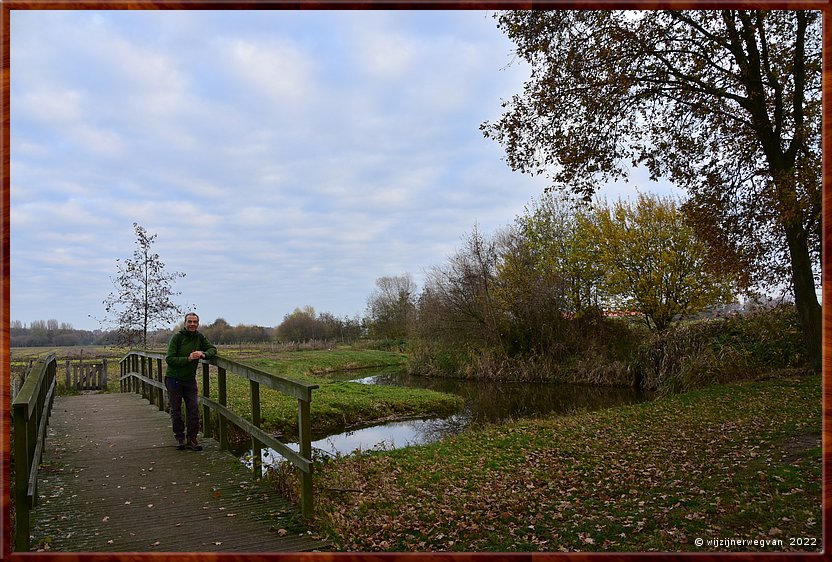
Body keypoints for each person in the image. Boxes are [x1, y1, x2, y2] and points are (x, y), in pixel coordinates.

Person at [165, 312, 216, 451]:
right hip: (174, 379)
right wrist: (188, 359)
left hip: (189, 380)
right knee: (176, 410)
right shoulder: (177, 337)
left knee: (193, 409)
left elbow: (212, 349)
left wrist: (203, 354)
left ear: (198, 324)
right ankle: (180, 438)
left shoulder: (199, 337)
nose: (192, 324)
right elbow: (169, 359)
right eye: (190, 322)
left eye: (195, 322)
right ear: (185, 323)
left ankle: (192, 439)